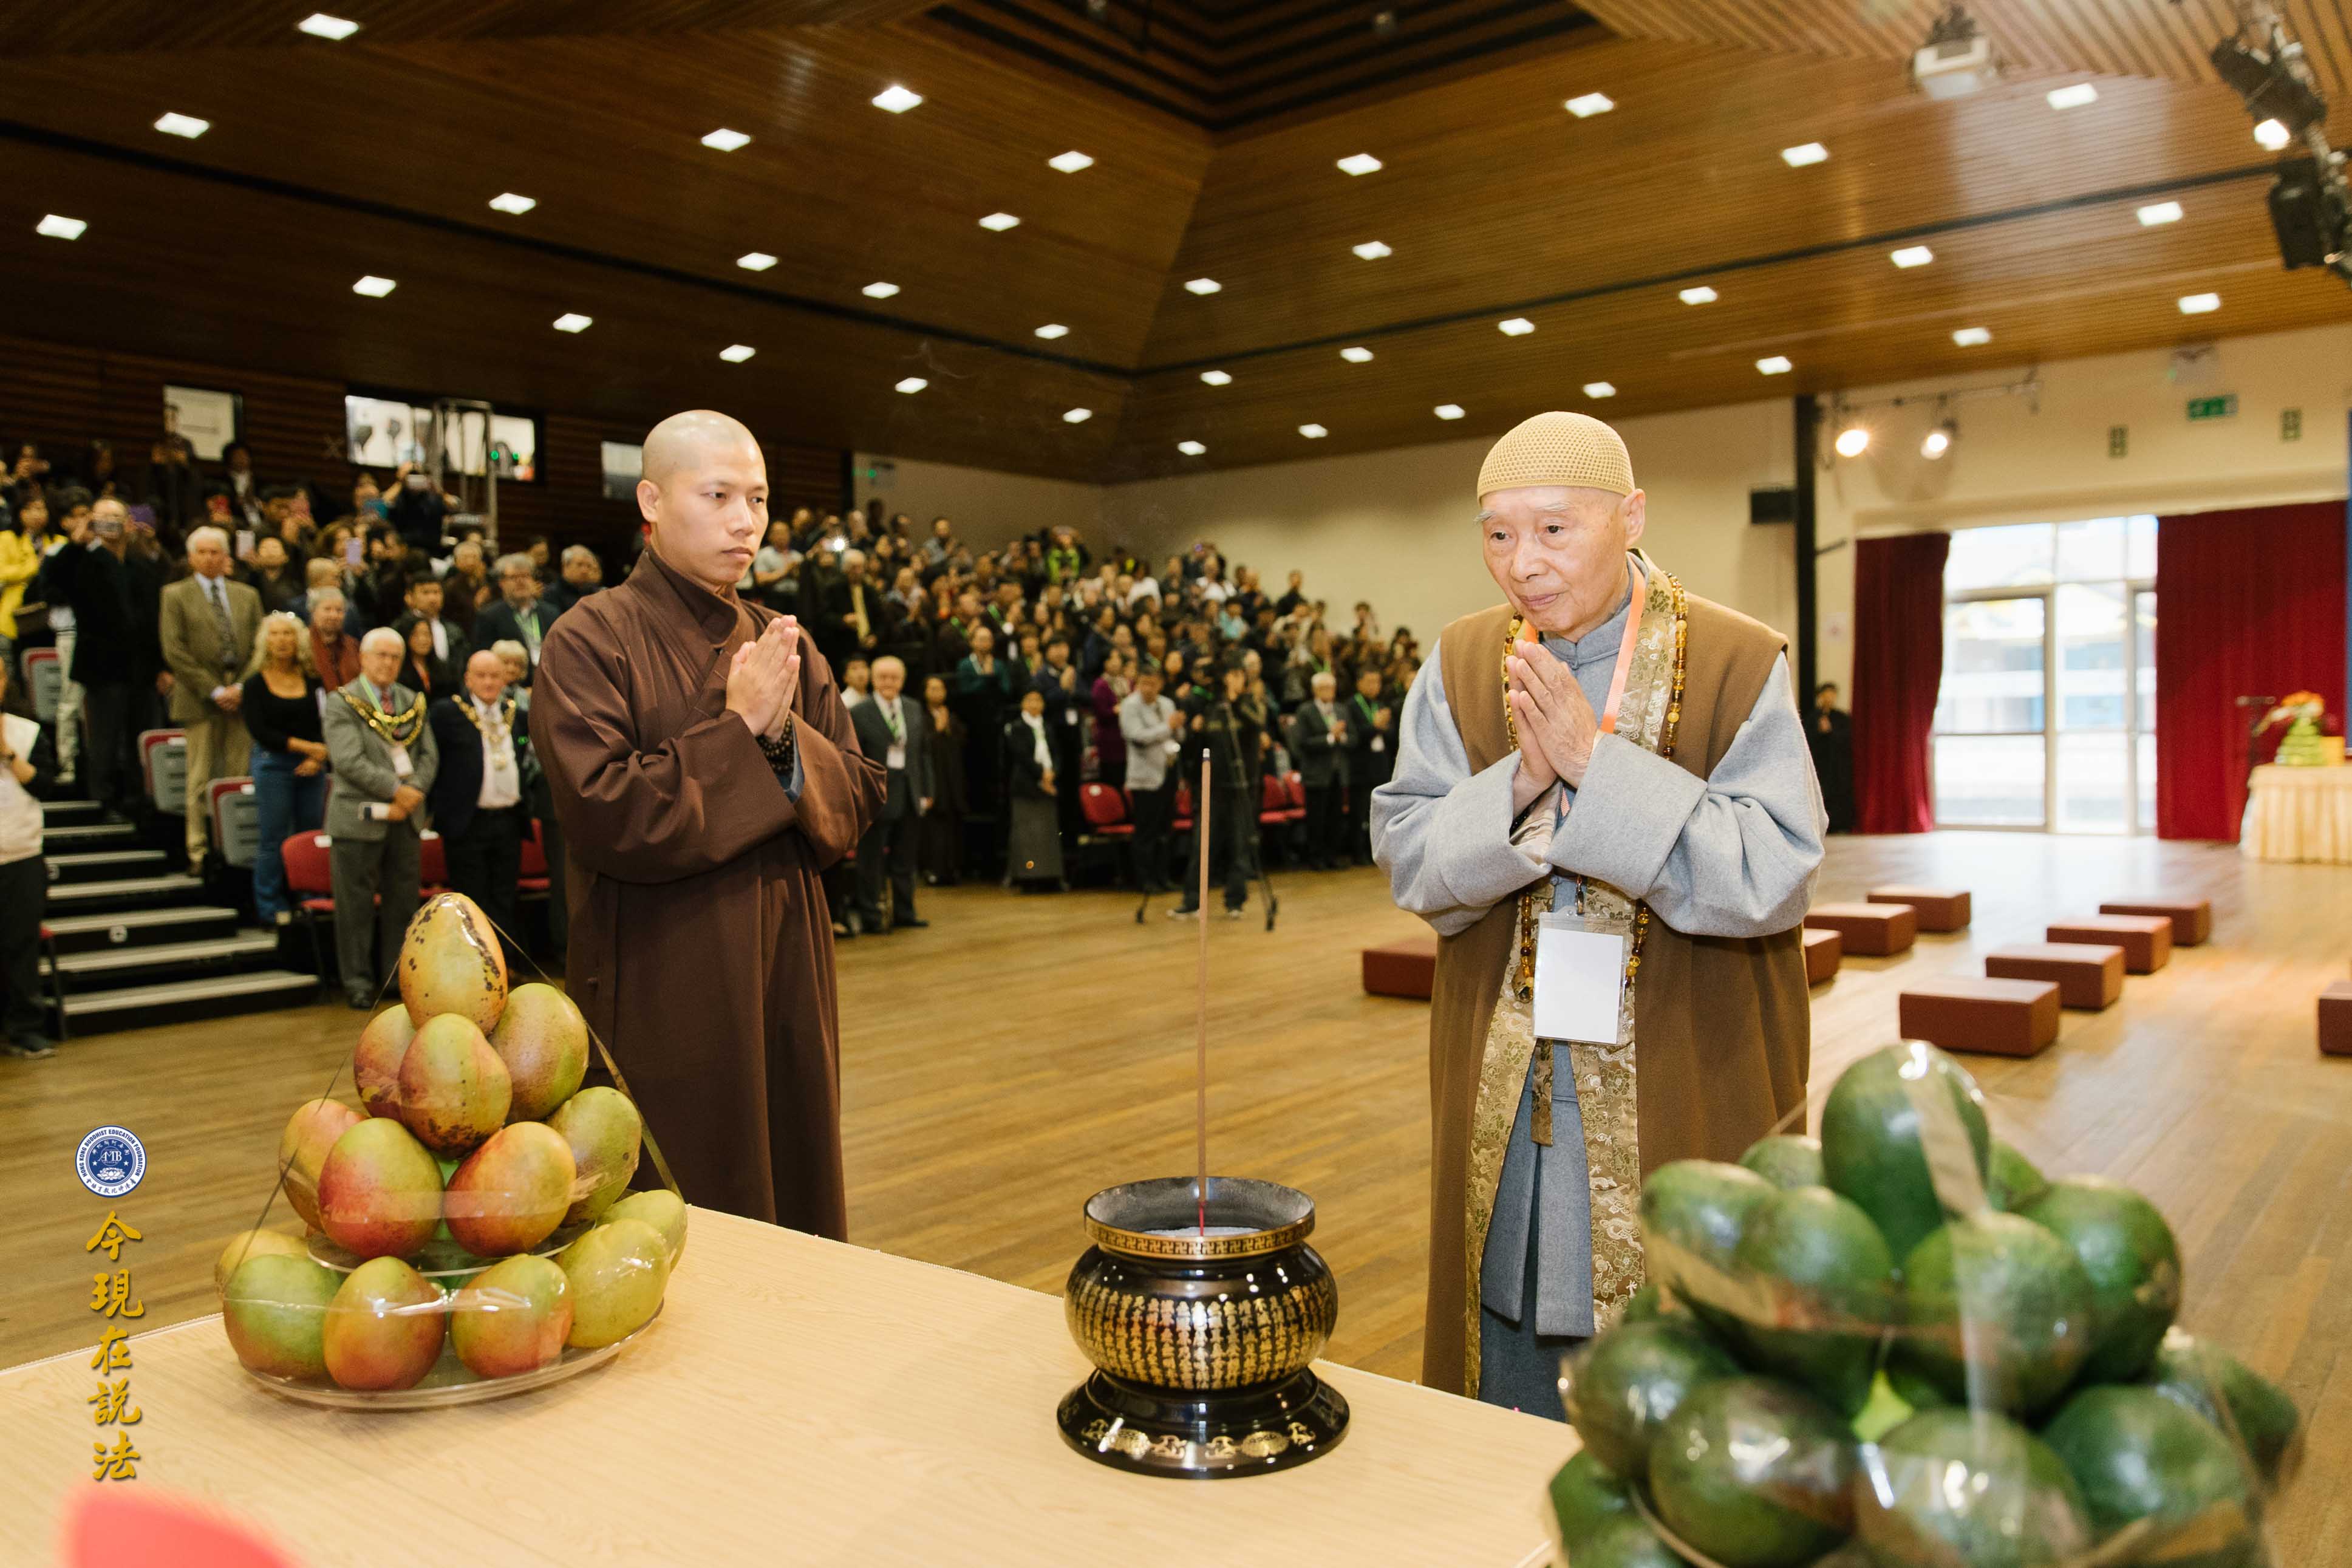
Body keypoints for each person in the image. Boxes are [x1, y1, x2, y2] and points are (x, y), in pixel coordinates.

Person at [1371, 411, 1823, 1416]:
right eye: (1496, 534)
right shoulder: (1456, 665)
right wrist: (1518, 789)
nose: (1519, 564)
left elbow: (1776, 870)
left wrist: (1592, 769)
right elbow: (1409, 852)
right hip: (1509, 1068)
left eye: (1551, 530)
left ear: (1630, 516)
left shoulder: (1737, 661)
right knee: (1509, 1318)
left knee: (1689, 1347)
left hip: (1682, 1058)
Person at [536, 409, 883, 1233]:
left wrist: (780, 736)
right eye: (718, 493)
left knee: (791, 1174)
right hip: (663, 964)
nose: (745, 521)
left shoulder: (781, 639)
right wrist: (737, 733)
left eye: (758, 499)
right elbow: (606, 812)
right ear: (651, 501)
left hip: (788, 961)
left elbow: (861, 796)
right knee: (676, 1187)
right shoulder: (590, 637)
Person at [324, 627, 438, 1008]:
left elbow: (429, 756)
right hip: (358, 817)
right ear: (363, 658)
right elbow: (347, 760)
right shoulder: (342, 701)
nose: (388, 663)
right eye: (381, 655)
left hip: (405, 819)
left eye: (395, 657)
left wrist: (413, 792)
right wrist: (396, 790)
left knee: (403, 903)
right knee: (355, 906)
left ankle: (394, 977)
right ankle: (357, 981)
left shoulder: (411, 700)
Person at [158, 524, 262, 864]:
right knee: (200, 777)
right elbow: (174, 650)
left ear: (226, 556)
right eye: (201, 552)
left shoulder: (247, 595)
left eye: (215, 551)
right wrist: (215, 690)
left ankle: (232, 848)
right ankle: (198, 850)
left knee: (237, 775)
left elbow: (260, 648)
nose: (208, 557)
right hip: (198, 696)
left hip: (241, 693)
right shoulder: (174, 594)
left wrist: (241, 688)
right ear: (190, 558)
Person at [428, 650, 532, 960]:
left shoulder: (516, 714)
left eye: (495, 676)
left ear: (504, 679)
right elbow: (435, 764)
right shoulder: (447, 713)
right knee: (471, 899)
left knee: (505, 896)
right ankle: (471, 967)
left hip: (509, 820)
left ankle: (504, 964)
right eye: (481, 676)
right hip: (467, 822)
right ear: (468, 679)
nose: (488, 682)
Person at [240, 612, 327, 926]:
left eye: (288, 634)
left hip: (312, 766)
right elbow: (261, 731)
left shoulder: (313, 681)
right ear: (266, 641)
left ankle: (309, 899)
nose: (282, 641)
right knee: (274, 837)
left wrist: (318, 757)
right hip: (272, 764)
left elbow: (325, 722)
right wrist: (308, 748)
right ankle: (270, 906)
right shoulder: (254, 684)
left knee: (310, 834)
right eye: (275, 634)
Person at [1171, 661, 1263, 919]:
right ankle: (1192, 901)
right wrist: (1194, 732)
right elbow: (1195, 751)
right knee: (1202, 845)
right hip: (1211, 789)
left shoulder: (1247, 705)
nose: (1234, 680)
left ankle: (1235, 901)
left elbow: (1257, 726)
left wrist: (1236, 704)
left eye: (1239, 675)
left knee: (1239, 847)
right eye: (1231, 675)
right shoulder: (1210, 709)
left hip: (1240, 788)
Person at [0, 655, 58, 1058]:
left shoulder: (28, 731)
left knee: (20, 948)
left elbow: (50, 787)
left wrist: (8, 754)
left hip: (20, 854)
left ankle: (25, 1028)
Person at [848, 655, 929, 932]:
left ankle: (906, 913)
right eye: (883, 677)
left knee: (905, 860)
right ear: (873, 679)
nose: (888, 683)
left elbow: (923, 753)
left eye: (894, 678)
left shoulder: (915, 708)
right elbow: (854, 758)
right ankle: (871, 916)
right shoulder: (860, 712)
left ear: (902, 680)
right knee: (871, 861)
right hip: (877, 798)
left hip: (910, 795)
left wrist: (927, 790)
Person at [1119, 659, 1180, 893]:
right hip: (1144, 777)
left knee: (1166, 830)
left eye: (1152, 684)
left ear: (1160, 684)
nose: (1148, 689)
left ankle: (1163, 876)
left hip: (1168, 771)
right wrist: (1168, 727)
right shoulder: (1129, 706)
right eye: (1143, 684)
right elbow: (1136, 736)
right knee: (1146, 831)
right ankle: (1144, 880)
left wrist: (1179, 727)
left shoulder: (1167, 704)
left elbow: (1176, 734)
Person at [1001, 687, 1064, 890]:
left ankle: (1050, 876)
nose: (1035, 704)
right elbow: (1022, 756)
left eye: (1038, 700)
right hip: (1026, 786)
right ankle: (1028, 877)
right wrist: (1041, 774)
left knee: (1048, 834)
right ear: (1023, 704)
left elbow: (1056, 753)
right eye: (1030, 700)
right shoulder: (1016, 727)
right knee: (1027, 835)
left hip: (1048, 785)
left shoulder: (1048, 727)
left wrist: (1052, 772)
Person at [1297, 670, 1354, 870]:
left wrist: (1342, 737)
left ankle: (1332, 855)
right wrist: (1330, 738)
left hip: (1338, 773)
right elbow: (1302, 742)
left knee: (1335, 818)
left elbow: (1353, 738)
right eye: (1323, 688)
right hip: (1316, 775)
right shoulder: (1306, 711)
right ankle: (1315, 857)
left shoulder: (1341, 710)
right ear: (1314, 690)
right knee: (1317, 819)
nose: (1328, 691)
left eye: (1330, 687)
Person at [918, 673, 966, 887]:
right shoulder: (920, 716)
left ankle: (952, 868)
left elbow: (963, 741)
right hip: (932, 778)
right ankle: (933, 870)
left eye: (941, 689)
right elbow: (922, 745)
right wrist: (938, 729)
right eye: (933, 689)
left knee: (953, 827)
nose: (938, 693)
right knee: (934, 827)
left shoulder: (952, 716)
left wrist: (947, 726)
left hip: (952, 779)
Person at [1348, 667, 1397, 865]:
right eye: (1369, 682)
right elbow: (1355, 735)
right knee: (1360, 811)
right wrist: (1376, 726)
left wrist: (1384, 727)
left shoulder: (1380, 705)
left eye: (1377, 682)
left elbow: (1392, 734)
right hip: (1361, 766)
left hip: (1380, 764)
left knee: (1380, 812)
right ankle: (1358, 852)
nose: (1374, 686)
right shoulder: (1352, 705)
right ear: (1359, 683)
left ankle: (1378, 852)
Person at [474, 553, 553, 675]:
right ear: (502, 583)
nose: (520, 582)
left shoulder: (551, 613)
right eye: (514, 577)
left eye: (525, 576)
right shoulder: (489, 617)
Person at [1808, 682, 1856, 834]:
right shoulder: (1812, 718)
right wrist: (1820, 732)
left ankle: (1840, 825)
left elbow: (1847, 739)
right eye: (1826, 695)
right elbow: (1807, 740)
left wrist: (1831, 731)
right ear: (1820, 697)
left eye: (1832, 695)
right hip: (1820, 764)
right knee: (1822, 794)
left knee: (1839, 793)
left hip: (1838, 764)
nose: (1829, 698)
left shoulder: (1841, 718)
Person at [307, 586, 361, 692]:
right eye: (327, 609)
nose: (334, 615)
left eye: (339, 610)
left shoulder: (353, 645)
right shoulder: (302, 645)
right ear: (313, 611)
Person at [398, 615, 455, 700]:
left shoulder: (442, 668)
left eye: (427, 634)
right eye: (416, 634)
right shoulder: (400, 670)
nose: (423, 640)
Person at [544, 545, 605, 618]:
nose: (585, 571)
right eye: (580, 565)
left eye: (588, 566)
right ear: (566, 566)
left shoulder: (594, 592)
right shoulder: (551, 593)